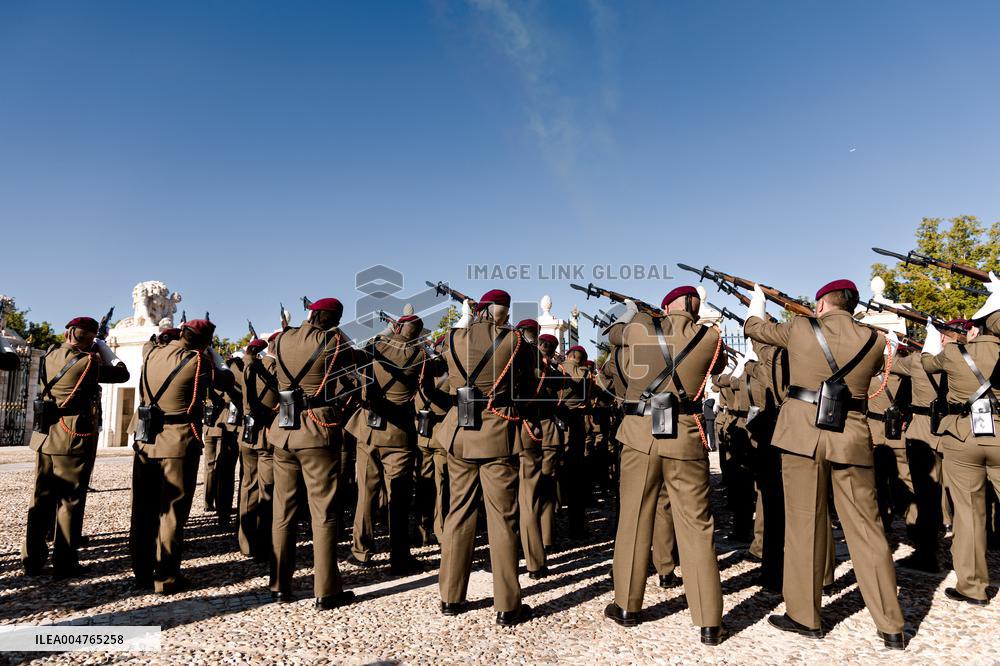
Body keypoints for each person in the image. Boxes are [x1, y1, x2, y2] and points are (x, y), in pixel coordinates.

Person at [744, 280, 906, 650]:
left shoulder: (801, 328)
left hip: (802, 433)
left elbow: (754, 329)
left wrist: (757, 303)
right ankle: (891, 624)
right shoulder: (875, 339)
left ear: (820, 305)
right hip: (850, 435)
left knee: (804, 525)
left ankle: (805, 616)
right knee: (867, 530)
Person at [605, 286, 728, 645]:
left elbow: (613, 336)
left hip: (640, 433)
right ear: (694, 307)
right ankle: (708, 621)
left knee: (633, 519)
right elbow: (717, 364)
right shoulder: (708, 336)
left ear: (666, 305)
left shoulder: (641, 328)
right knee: (697, 526)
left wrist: (632, 312)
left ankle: (627, 606)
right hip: (685, 435)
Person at [437, 289, 534, 626]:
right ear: (504, 312)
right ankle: (507, 605)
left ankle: (450, 596)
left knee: (458, 513)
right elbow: (530, 384)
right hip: (498, 433)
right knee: (502, 519)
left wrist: (467, 321)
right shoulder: (515, 341)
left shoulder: (451, 338)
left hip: (459, 434)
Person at [22, 316, 129, 578]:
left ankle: (32, 559)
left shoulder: (50, 354)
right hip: (71, 436)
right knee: (69, 500)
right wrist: (104, 349)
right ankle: (64, 560)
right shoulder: (87, 362)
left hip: (45, 434)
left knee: (41, 498)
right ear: (90, 337)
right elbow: (121, 373)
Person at [131, 318, 231, 594]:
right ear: (204, 342)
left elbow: (154, 343)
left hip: (146, 438)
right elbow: (225, 380)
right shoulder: (198, 362)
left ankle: (140, 570)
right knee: (172, 511)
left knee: (143, 509)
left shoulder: (150, 353)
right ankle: (165, 576)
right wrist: (215, 356)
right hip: (177, 440)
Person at [270, 298, 356, 609]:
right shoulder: (333, 341)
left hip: (283, 430)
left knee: (283, 512)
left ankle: (280, 585)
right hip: (317, 428)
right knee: (324, 512)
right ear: (333, 320)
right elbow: (356, 360)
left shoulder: (281, 339)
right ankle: (326, 590)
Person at [921, 276, 1000, 605]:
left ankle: (973, 586)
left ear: (974, 327)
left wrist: (929, 338)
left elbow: (926, 362)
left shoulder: (954, 353)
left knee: (967, 515)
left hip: (962, 434)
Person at [346, 314, 426, 575]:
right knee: (399, 498)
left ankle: (361, 551)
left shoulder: (375, 345)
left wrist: (384, 334)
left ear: (396, 326)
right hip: (398, 434)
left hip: (368, 428)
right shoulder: (419, 354)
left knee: (365, 494)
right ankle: (399, 557)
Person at [235, 338, 278, 562]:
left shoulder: (247, 366)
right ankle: (263, 543)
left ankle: (246, 542)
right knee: (267, 490)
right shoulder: (278, 369)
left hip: (247, 433)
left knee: (247, 486)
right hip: (267, 434)